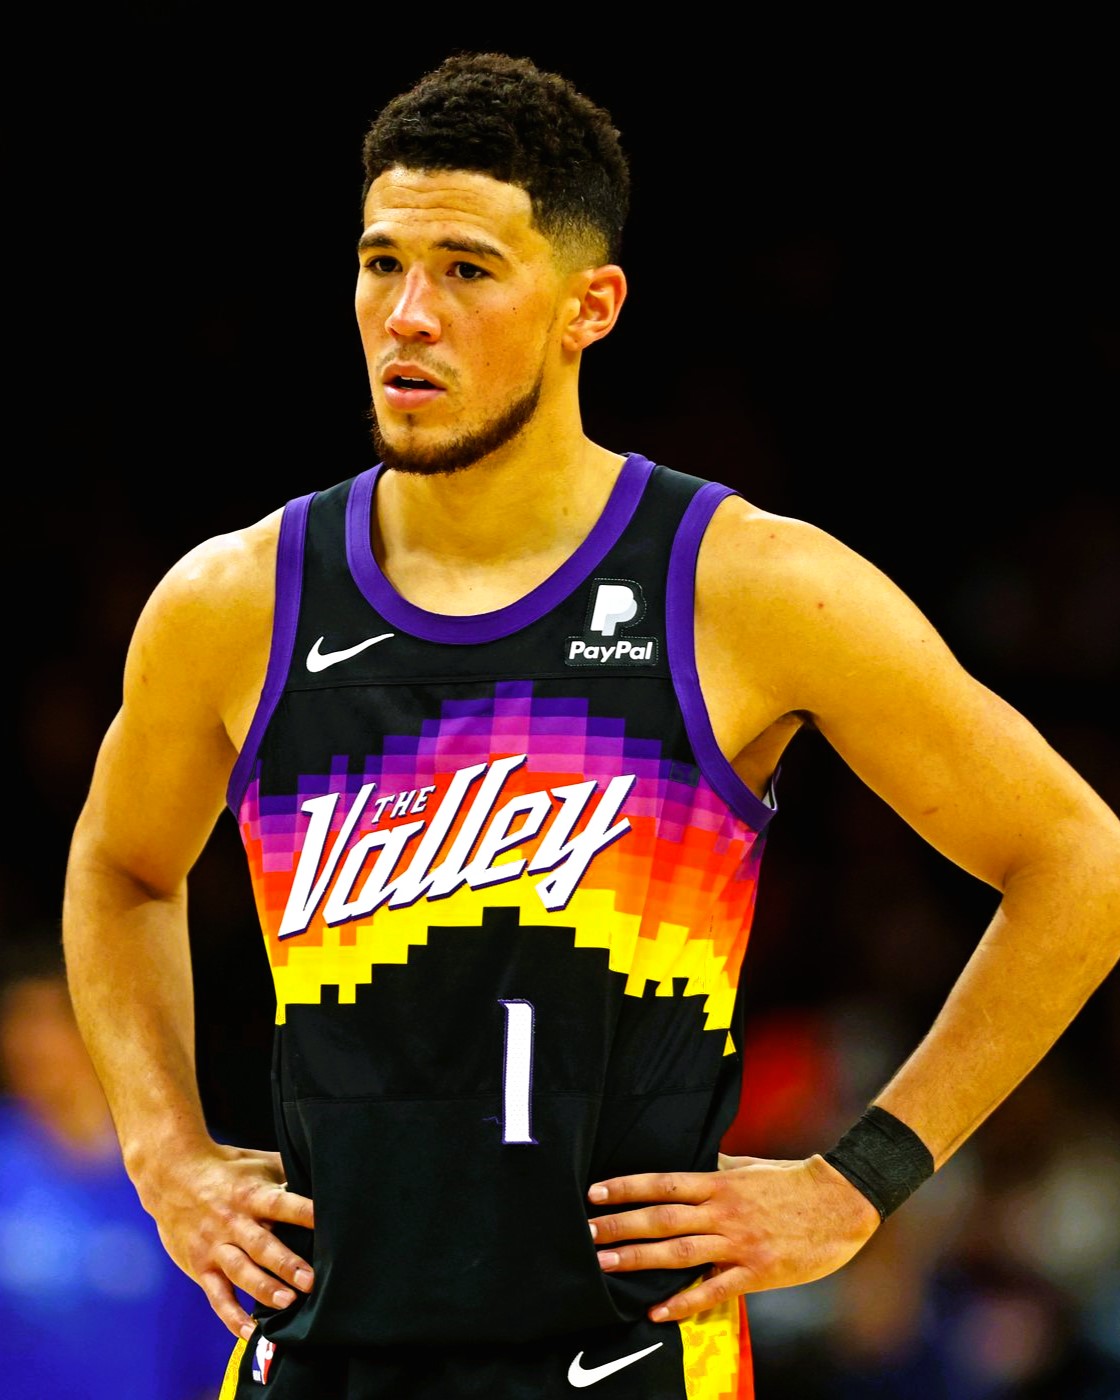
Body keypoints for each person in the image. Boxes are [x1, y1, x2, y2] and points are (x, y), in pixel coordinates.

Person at [60, 50, 1120, 1400]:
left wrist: (860, 1179)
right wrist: (164, 1152)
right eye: (382, 264)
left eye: (466, 268)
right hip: (319, 1350)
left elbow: (1080, 861)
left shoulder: (747, 586)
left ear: (589, 306)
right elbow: (121, 867)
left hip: (630, 1357)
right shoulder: (236, 600)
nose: (408, 316)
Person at [0, 934, 233, 1400]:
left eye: (50, 1020)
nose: (29, 1044)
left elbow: (224, 1351)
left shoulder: (195, 1173)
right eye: (17, 1022)